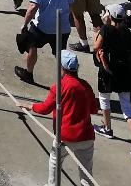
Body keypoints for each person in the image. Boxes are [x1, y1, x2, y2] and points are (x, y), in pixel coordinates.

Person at [31, 50, 98, 185]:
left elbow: (45, 109)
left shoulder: (59, 87)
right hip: (86, 136)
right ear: (76, 68)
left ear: (62, 68)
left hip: (65, 137)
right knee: (86, 173)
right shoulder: (85, 86)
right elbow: (94, 109)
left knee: (55, 160)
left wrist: (30, 106)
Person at [93, 4, 131, 155]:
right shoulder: (128, 32)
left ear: (110, 16)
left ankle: (107, 128)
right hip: (125, 72)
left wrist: (101, 27)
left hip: (108, 71)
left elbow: (96, 46)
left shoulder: (106, 29)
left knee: (104, 99)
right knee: (127, 106)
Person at [15, 0, 73, 85]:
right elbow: (70, 3)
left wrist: (24, 24)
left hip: (42, 26)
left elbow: (32, 7)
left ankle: (28, 74)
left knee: (31, 46)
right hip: (62, 28)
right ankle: (66, 83)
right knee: (60, 55)